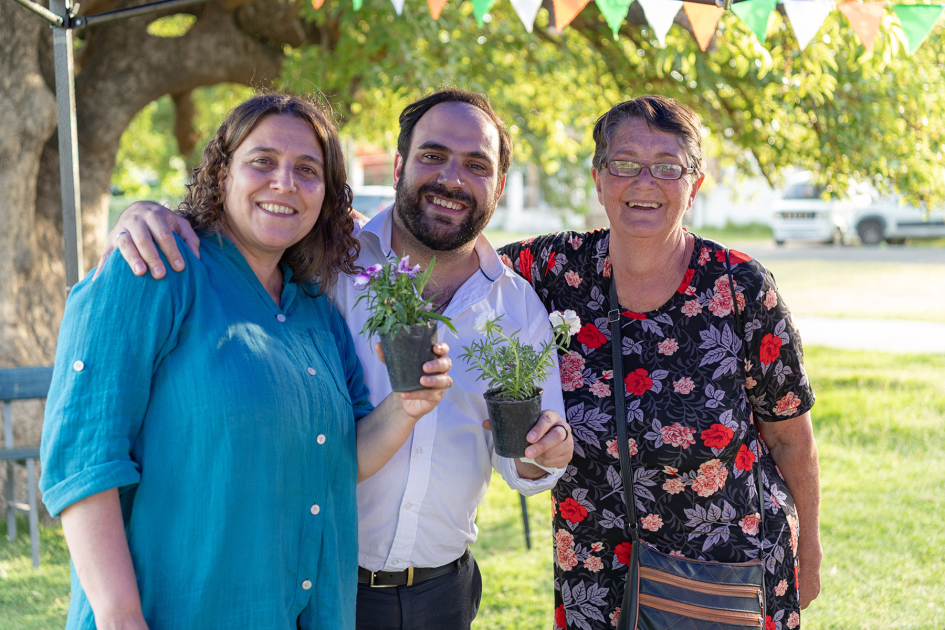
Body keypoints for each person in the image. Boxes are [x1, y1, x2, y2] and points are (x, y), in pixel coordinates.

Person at [96, 88, 575, 630]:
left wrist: (544, 453)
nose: (452, 179)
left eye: (476, 164)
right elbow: (249, 226)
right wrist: (145, 213)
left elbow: (525, 467)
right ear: (399, 166)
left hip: (444, 594)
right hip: (316, 581)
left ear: (500, 185)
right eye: (432, 156)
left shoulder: (517, 306)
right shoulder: (326, 262)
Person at [39, 93, 454, 630]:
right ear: (221, 175)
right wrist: (120, 617)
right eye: (262, 161)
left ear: (325, 196)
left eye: (307, 170)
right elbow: (83, 461)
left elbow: (340, 457)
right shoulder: (151, 270)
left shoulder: (316, 313)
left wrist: (407, 404)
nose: (284, 182)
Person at [497, 95, 822, 629]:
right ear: (599, 179)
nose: (644, 182)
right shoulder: (550, 270)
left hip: (724, 571)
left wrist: (809, 547)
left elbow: (790, 437)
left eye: (667, 168)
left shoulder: (740, 287)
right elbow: (458, 265)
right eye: (625, 164)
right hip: (595, 574)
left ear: (694, 186)